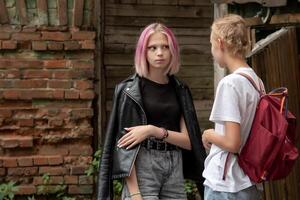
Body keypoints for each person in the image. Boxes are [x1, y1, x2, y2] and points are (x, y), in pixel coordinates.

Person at [97, 23, 206, 200]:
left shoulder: (180, 89)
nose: (160, 53)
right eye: (152, 48)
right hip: (142, 167)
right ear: (143, 52)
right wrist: (135, 193)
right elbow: (125, 146)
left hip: (174, 165)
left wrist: (151, 130)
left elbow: (188, 142)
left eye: (165, 47)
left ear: (173, 51)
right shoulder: (129, 91)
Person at [202, 14, 264, 200]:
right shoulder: (255, 81)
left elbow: (232, 143)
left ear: (220, 43)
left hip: (226, 184)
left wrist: (208, 134)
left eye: (211, 45)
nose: (212, 51)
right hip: (248, 181)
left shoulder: (230, 84)